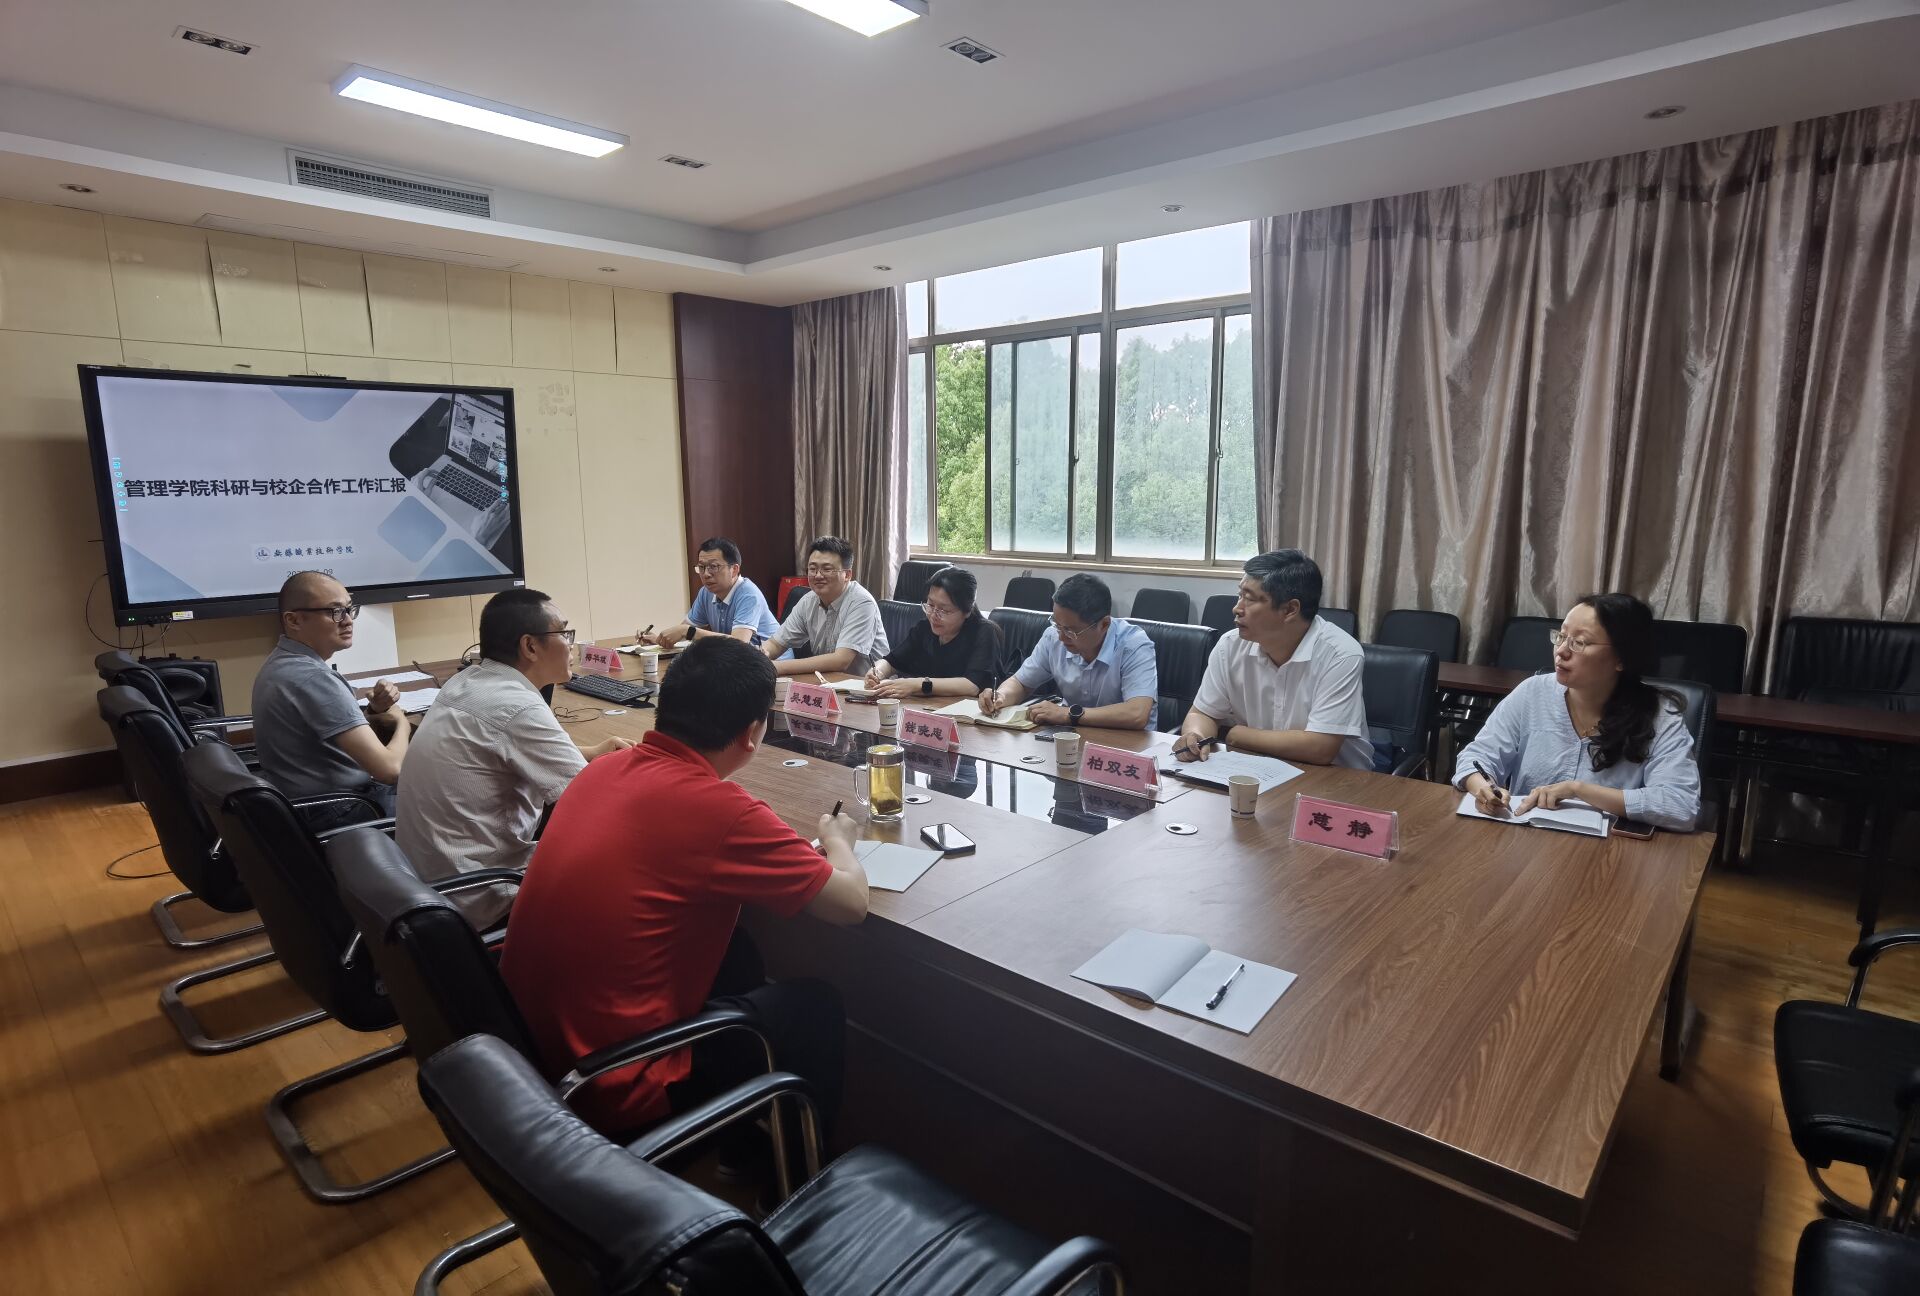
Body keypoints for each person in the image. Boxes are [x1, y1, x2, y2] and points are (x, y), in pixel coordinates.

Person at [501, 636, 869, 1144]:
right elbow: (851, 903)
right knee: (814, 1008)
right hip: (610, 1083)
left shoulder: (603, 768)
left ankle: (738, 1143)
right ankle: (794, 1180)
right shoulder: (723, 811)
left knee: (737, 951)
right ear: (753, 733)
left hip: (524, 1055)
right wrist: (839, 840)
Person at [396, 589, 632, 929]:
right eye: (564, 633)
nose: (571, 645)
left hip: (428, 879)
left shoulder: (467, 681)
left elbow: (502, 745)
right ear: (530, 646)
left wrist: (591, 753)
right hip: (481, 894)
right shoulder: (518, 706)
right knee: (627, 854)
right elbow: (596, 806)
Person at [1455, 593, 1701, 830]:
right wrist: (1482, 787)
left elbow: (1680, 805)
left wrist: (1578, 790)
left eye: (1579, 642)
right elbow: (1477, 756)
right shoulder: (1532, 692)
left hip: (1609, 851)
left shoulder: (1659, 715)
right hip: (1525, 840)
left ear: (1622, 658)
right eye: (1561, 637)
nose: (1561, 651)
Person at [1175, 550, 1372, 769]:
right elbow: (1203, 713)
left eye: (1249, 599)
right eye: (1240, 595)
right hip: (1258, 769)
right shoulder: (1230, 646)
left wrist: (1236, 734)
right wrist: (1195, 735)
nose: (1237, 608)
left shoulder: (1340, 654)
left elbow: (1320, 747)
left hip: (1336, 778)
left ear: (1290, 609)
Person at [251, 571, 408, 829]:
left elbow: (327, 733)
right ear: (294, 620)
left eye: (349, 609)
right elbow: (390, 770)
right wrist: (401, 722)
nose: (348, 620)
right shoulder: (312, 678)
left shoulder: (281, 662)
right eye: (334, 611)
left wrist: (374, 710)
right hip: (342, 810)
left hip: (307, 805)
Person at [978, 573, 1157, 729]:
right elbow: (1021, 682)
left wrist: (1068, 714)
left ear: (1104, 624)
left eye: (1071, 631)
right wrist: (1001, 696)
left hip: (1129, 745)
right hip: (1073, 737)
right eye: (1057, 625)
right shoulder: (1053, 637)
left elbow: (1137, 713)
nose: (1062, 637)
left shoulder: (1133, 645)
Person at [864, 566, 1001, 700]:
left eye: (944, 610)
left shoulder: (984, 632)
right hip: (931, 707)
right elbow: (892, 662)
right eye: (930, 605)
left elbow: (972, 686)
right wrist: (878, 672)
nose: (934, 615)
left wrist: (918, 685)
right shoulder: (925, 628)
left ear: (967, 611)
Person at [762, 536, 889, 678]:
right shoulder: (808, 601)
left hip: (867, 686)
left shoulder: (862, 603)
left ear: (847, 575)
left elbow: (841, 661)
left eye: (827, 569)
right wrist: (761, 655)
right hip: (827, 683)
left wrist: (776, 667)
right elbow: (776, 644)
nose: (818, 575)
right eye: (812, 569)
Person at [647, 537, 781, 648]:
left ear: (734, 570)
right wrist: (660, 640)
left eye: (714, 566)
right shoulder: (706, 593)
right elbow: (683, 632)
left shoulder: (748, 594)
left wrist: (688, 632)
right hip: (737, 662)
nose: (706, 574)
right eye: (701, 567)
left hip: (773, 663)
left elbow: (740, 643)